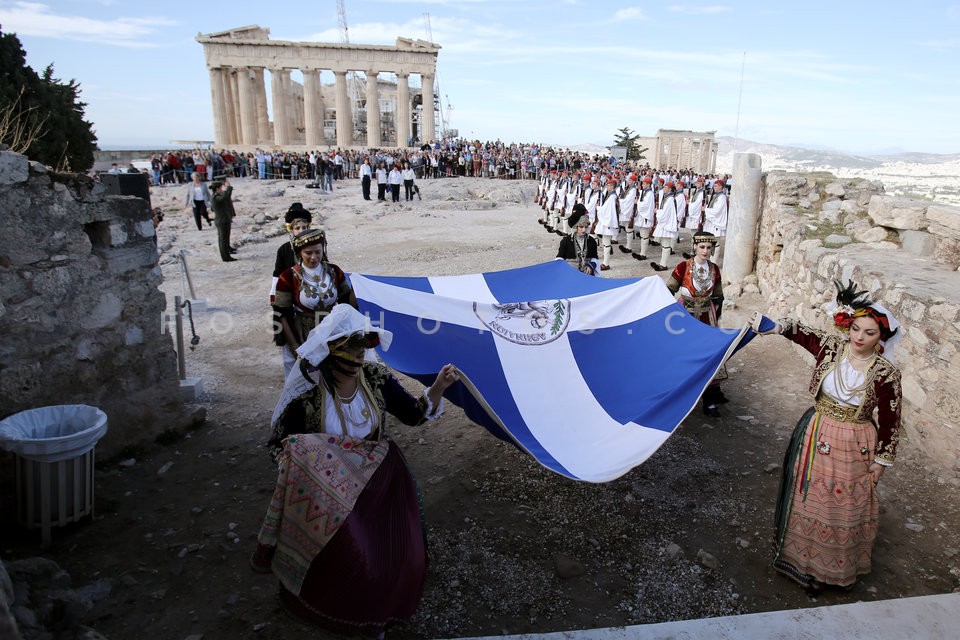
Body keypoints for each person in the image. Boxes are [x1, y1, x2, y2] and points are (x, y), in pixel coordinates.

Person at [251, 305, 460, 636]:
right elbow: (279, 444)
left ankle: (379, 613)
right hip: (329, 491)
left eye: (363, 348)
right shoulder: (308, 393)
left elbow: (414, 415)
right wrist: (308, 468)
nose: (359, 356)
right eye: (351, 348)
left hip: (382, 482)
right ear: (331, 352)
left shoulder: (376, 379)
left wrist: (437, 387)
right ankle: (347, 613)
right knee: (358, 558)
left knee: (402, 556)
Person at [750, 281, 902, 596]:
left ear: (881, 338)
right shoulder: (832, 346)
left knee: (840, 505)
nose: (859, 337)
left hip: (855, 443)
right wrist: (774, 326)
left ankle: (831, 571)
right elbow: (801, 333)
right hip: (817, 431)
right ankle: (799, 561)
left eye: (869, 333)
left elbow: (891, 420)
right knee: (809, 498)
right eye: (856, 329)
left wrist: (882, 461)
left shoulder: (886, 374)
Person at [273, 228, 357, 379]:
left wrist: (358, 289)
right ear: (299, 253)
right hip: (305, 335)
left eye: (318, 252)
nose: (314, 257)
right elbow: (282, 315)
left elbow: (346, 302)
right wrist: (296, 348)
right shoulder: (287, 277)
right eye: (308, 253)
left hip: (334, 332)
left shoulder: (334, 271)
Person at [664, 232, 726, 416]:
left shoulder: (714, 269)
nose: (706, 251)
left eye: (708, 248)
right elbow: (668, 290)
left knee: (708, 355)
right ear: (695, 247)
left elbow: (718, 295)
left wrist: (716, 321)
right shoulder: (683, 267)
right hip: (684, 316)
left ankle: (709, 399)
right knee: (682, 354)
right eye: (702, 247)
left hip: (707, 316)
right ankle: (678, 397)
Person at [556, 206, 599, 276]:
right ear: (576, 227)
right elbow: (559, 258)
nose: (584, 230)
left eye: (586, 227)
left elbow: (595, 258)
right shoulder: (566, 241)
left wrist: (591, 265)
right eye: (581, 227)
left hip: (587, 275)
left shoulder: (592, 241)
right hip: (570, 275)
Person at [650, 181, 681, 271]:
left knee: (666, 245)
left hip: (667, 224)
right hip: (665, 223)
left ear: (670, 189)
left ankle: (663, 265)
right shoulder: (667, 198)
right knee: (664, 245)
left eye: (666, 187)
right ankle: (662, 263)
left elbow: (665, 213)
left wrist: (657, 212)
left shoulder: (670, 199)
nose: (664, 189)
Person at [209, 179, 236, 262]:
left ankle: (227, 254)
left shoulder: (216, 196)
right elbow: (225, 196)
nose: (222, 189)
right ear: (217, 189)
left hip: (223, 220)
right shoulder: (215, 197)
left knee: (224, 239)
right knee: (223, 240)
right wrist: (228, 187)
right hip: (222, 220)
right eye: (221, 188)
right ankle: (225, 257)